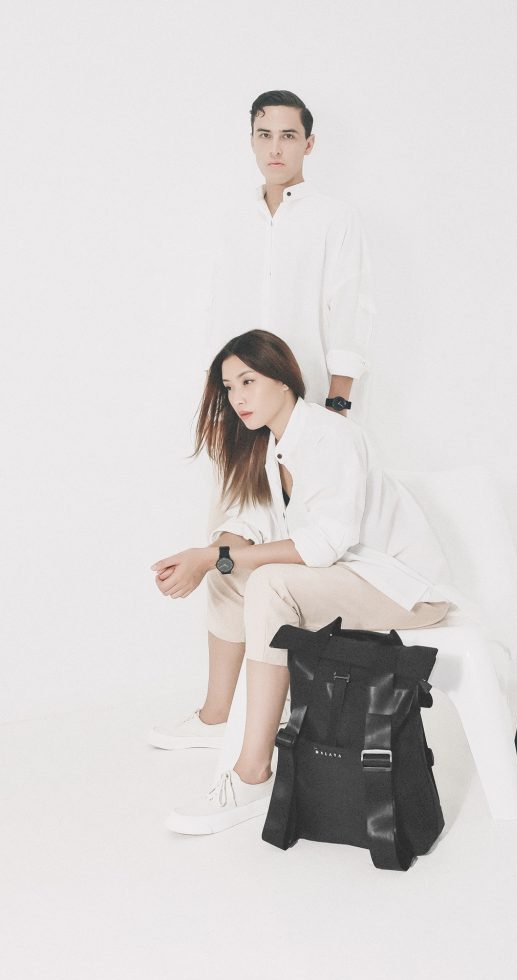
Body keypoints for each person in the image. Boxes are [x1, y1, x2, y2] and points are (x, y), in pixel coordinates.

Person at [150, 330, 452, 835]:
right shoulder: (270, 445)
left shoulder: (330, 436)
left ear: (284, 379)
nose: (238, 397)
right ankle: (218, 716)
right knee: (229, 577)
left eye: (248, 381)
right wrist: (212, 558)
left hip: (403, 589)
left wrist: (212, 556)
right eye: (229, 387)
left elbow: (325, 544)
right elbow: (249, 520)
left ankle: (252, 774)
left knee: (268, 583)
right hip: (347, 578)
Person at [208, 89, 374, 416]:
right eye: (265, 135)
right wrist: (215, 401)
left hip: (310, 402)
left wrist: (336, 406)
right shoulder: (234, 223)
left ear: (308, 144)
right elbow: (219, 312)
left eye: (288, 136)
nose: (275, 148)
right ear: (252, 141)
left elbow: (350, 312)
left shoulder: (335, 218)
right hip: (238, 407)